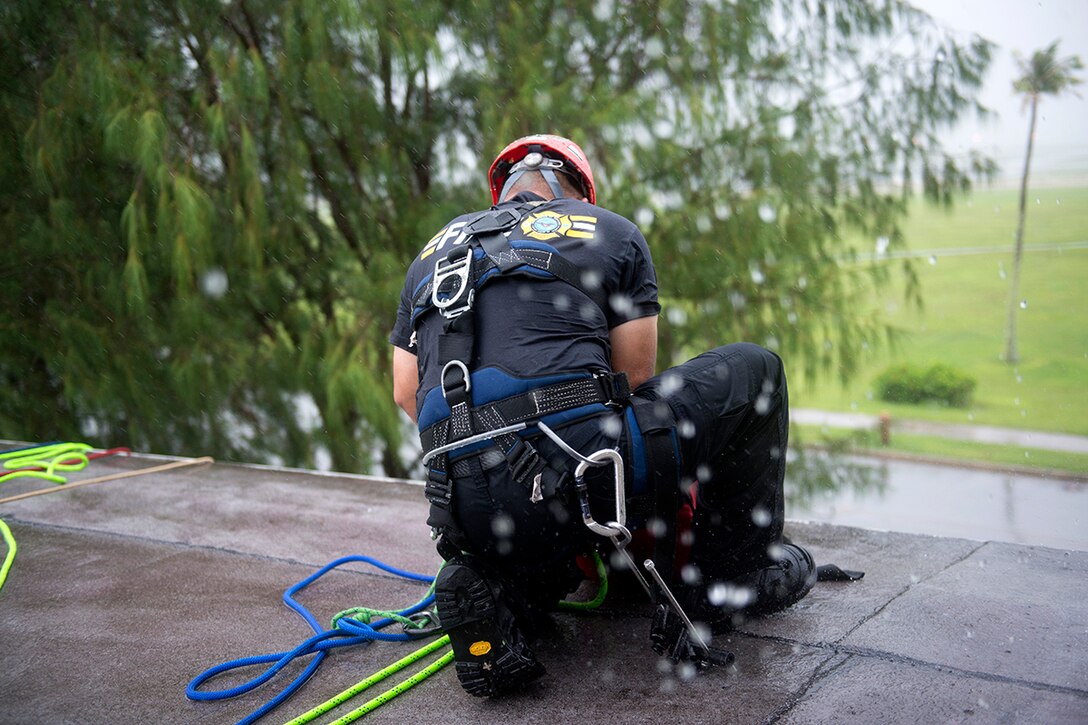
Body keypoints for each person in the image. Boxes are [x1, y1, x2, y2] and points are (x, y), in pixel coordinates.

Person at [389, 133, 816, 697]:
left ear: (500, 194)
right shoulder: (610, 230)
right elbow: (633, 381)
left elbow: (405, 393)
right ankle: (734, 573)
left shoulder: (432, 252)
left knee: (535, 477)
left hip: (461, 507)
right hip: (578, 479)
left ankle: (508, 583)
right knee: (755, 368)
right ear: (579, 192)